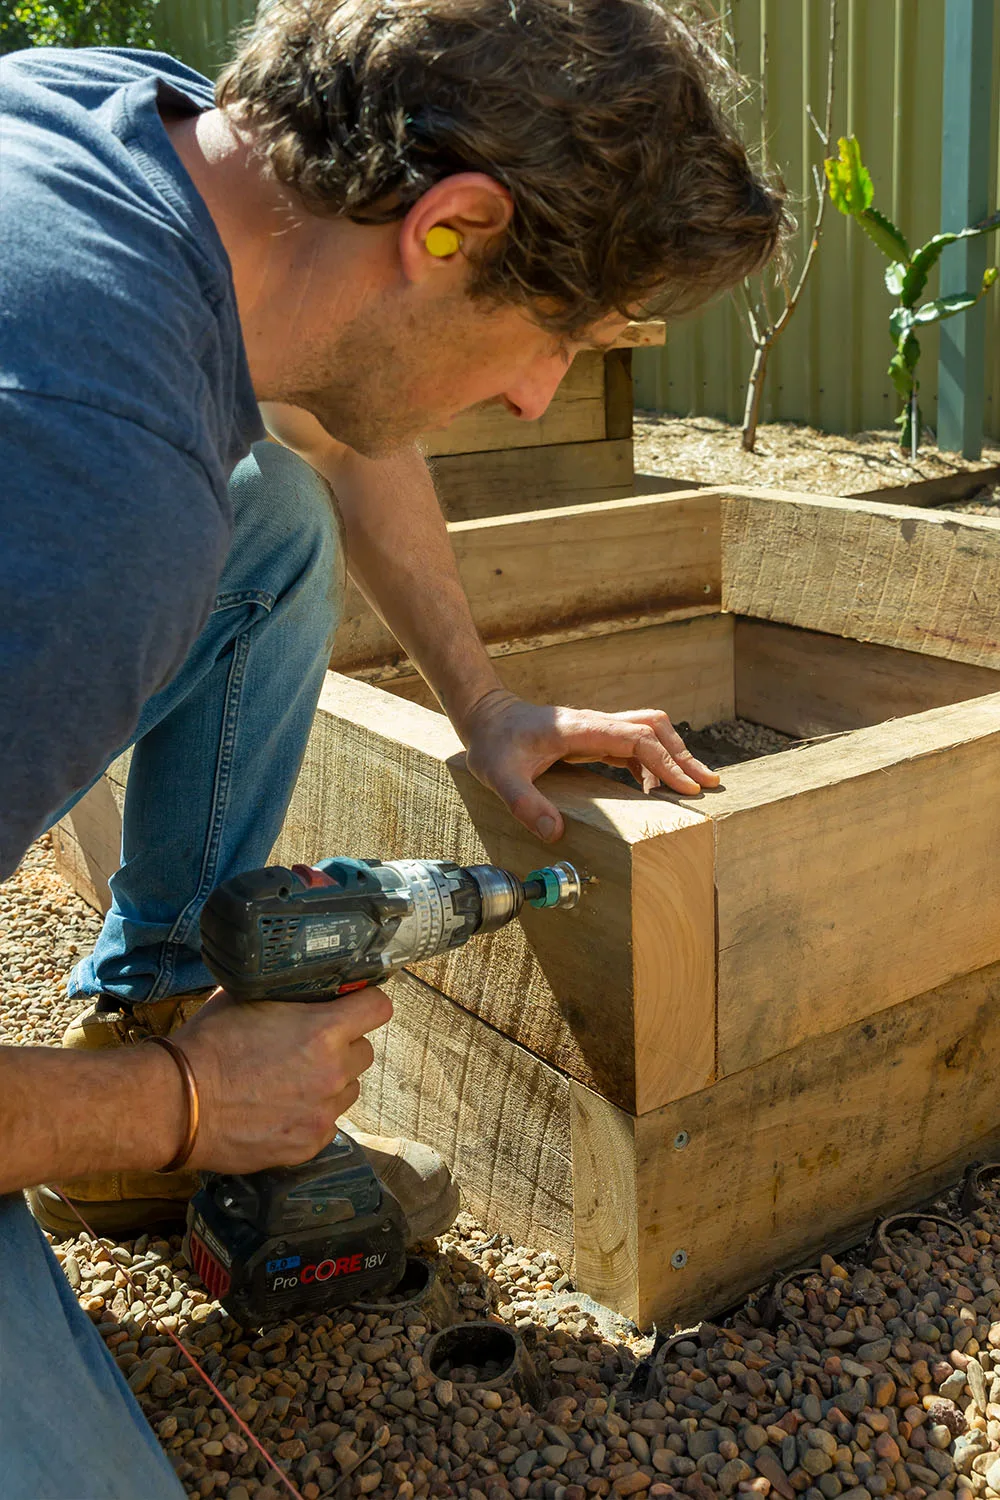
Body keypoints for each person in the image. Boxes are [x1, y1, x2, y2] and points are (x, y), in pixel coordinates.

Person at [0, 2, 786, 1494]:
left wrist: (481, 703)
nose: (540, 395)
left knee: (271, 518)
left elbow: (349, 418)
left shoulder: (123, 126)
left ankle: (143, 1032)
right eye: (557, 337)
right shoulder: (91, 481)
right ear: (448, 225)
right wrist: (180, 1107)